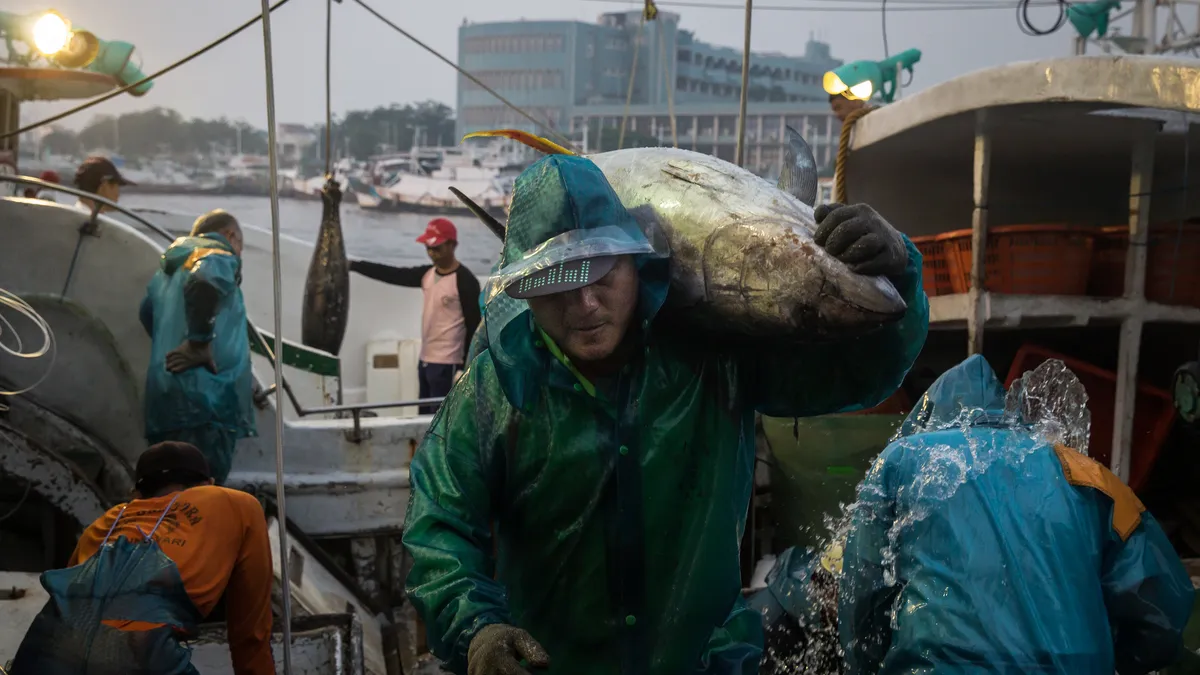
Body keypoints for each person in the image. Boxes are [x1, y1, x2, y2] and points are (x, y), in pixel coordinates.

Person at [401, 154, 930, 675]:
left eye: (602, 270)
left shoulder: (713, 358)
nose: (585, 303)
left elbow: (855, 374)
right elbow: (439, 523)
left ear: (638, 262)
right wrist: (476, 628)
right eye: (557, 281)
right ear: (523, 288)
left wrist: (900, 267)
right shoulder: (497, 389)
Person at [838, 354, 1195, 675]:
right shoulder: (1087, 475)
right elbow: (1164, 608)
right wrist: (1122, 662)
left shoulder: (903, 459)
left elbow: (862, 595)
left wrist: (866, 665)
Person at [10, 441, 275, 675]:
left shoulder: (108, 521)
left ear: (136, 494)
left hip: (47, 650)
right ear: (210, 485)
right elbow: (250, 633)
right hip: (143, 653)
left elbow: (72, 605)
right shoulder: (237, 504)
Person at [139, 210, 255, 485]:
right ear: (230, 235)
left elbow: (147, 315)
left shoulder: (166, 272)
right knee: (202, 495)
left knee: (167, 493)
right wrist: (198, 343)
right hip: (207, 402)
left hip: (165, 399)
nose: (239, 255)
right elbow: (204, 281)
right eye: (241, 247)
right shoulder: (218, 254)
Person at [349, 217, 481, 414]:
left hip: (449, 363)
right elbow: (393, 274)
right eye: (428, 248)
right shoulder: (426, 274)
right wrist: (354, 266)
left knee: (442, 419)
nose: (432, 253)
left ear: (453, 245)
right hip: (426, 360)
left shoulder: (465, 281)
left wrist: (465, 367)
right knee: (424, 415)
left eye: (437, 247)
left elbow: (474, 326)